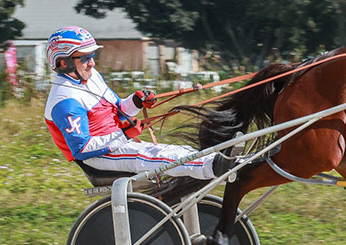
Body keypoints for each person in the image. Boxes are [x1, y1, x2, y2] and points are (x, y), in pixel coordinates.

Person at [43, 26, 233, 180]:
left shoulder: (91, 77)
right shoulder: (64, 100)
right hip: (98, 158)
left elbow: (118, 111)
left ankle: (228, 161)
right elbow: (82, 149)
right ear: (63, 63)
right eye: (85, 58)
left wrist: (136, 101)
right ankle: (220, 166)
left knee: (177, 151)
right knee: (155, 157)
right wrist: (124, 134)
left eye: (92, 56)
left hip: (116, 144)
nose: (92, 63)